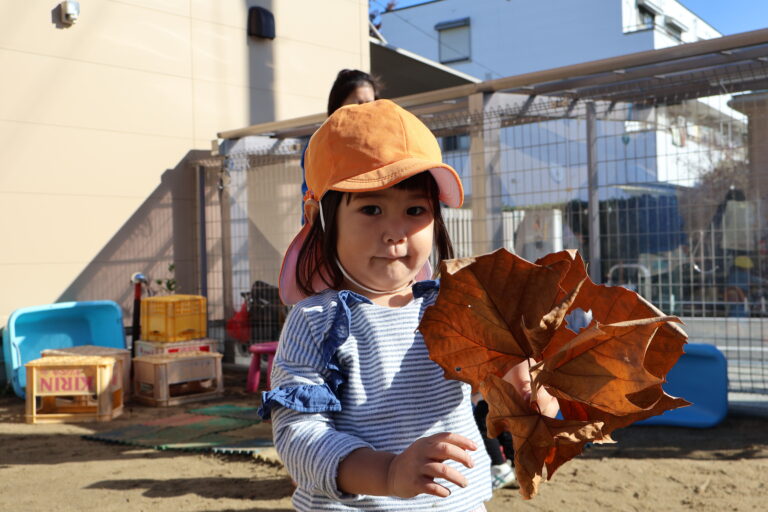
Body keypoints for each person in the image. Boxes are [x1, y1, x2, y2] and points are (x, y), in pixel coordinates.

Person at [259, 99, 490, 510]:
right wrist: (388, 472)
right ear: (321, 218)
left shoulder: (453, 304)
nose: (396, 232)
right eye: (371, 208)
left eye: (415, 209)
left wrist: (522, 383)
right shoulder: (318, 321)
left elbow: (488, 379)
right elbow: (298, 433)